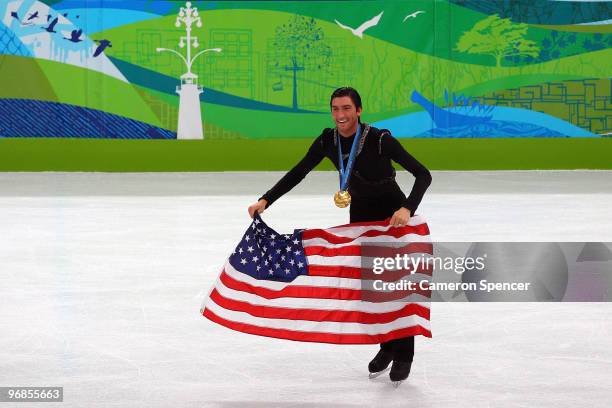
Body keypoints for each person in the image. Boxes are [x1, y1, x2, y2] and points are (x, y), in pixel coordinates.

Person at [247, 87, 432, 383]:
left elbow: (423, 174)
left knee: (397, 288)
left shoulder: (379, 139)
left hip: (392, 219)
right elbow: (299, 171)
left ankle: (404, 354)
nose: (340, 115)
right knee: (372, 288)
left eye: (346, 108)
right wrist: (265, 199)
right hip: (359, 219)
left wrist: (407, 208)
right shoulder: (327, 140)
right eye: (335, 109)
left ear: (359, 110)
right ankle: (386, 345)